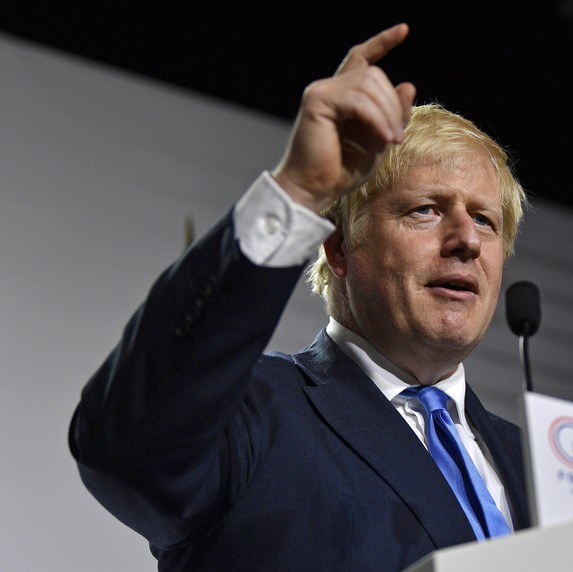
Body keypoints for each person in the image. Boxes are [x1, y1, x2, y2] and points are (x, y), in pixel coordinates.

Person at [69, 23, 530, 571]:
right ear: (338, 247)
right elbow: (130, 449)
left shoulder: (535, 465)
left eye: (485, 220)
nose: (467, 241)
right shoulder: (254, 413)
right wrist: (300, 189)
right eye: (425, 210)